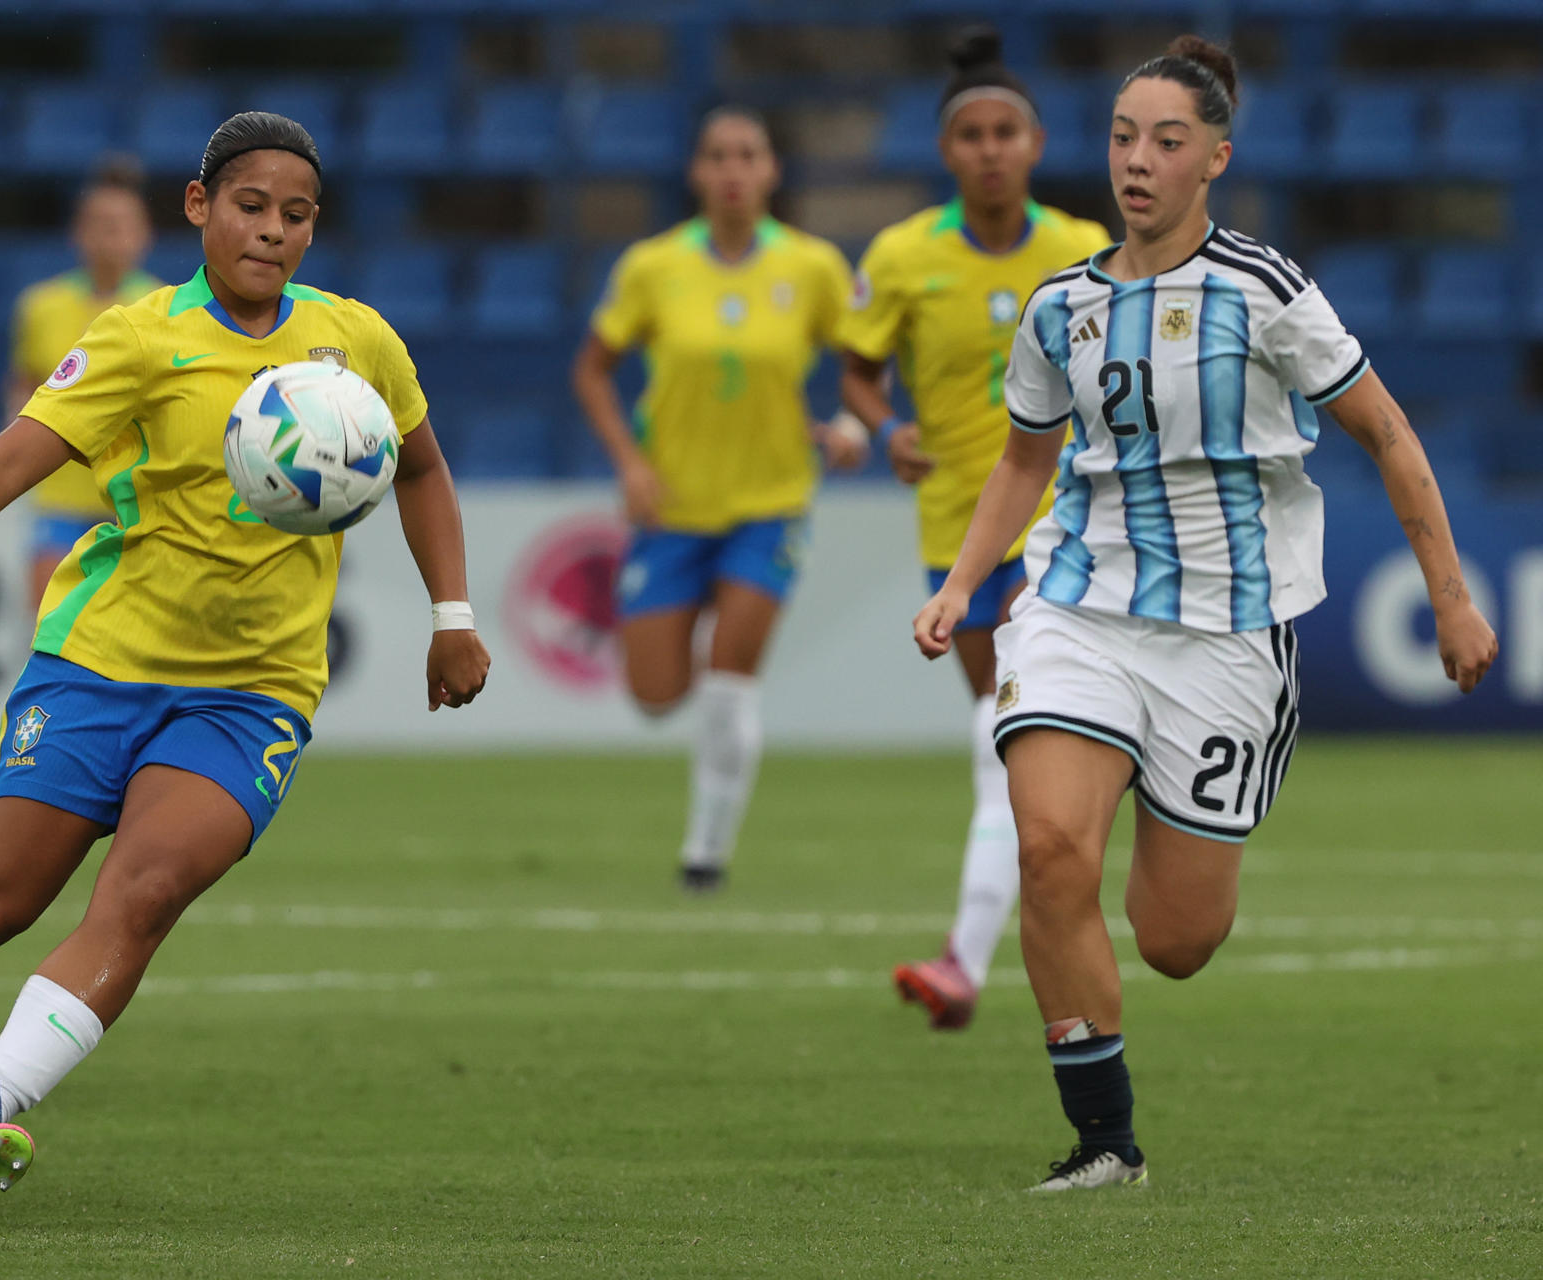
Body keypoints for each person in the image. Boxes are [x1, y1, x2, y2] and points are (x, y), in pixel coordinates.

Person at [0, 112, 492, 1207]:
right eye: (250, 207)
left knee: (141, 893)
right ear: (199, 207)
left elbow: (421, 468)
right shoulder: (141, 338)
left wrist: (454, 612)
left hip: (252, 691)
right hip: (99, 661)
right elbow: (16, 454)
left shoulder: (357, 344)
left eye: (296, 216)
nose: (272, 232)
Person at [911, 37, 1496, 1191]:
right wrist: (962, 580)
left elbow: (1387, 433)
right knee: (1048, 849)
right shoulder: (1061, 306)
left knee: (1177, 940)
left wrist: (1453, 597)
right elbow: (1026, 462)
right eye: (1124, 136)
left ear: (1215, 158)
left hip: (1225, 636)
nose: (1137, 160)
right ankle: (1103, 1142)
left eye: (1167, 141)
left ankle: (1152, 807)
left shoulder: (1264, 292)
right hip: (1078, 600)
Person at [837, 27, 1110, 1029]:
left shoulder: (1082, 248)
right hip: (962, 530)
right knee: (1011, 737)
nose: (991, 149)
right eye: (973, 134)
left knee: (1011, 730)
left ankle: (966, 951)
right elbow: (859, 372)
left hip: (1077, 527)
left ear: (1035, 144)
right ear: (949, 151)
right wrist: (887, 427)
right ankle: (1018, 904)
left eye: (1008, 132)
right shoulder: (905, 255)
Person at [572, 106, 860, 892]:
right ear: (697, 173)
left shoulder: (813, 268)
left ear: (772, 171)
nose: (733, 169)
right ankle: (697, 651)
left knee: (732, 672)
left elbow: (864, 360)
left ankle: (705, 854)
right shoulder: (653, 267)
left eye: (748, 155)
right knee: (657, 695)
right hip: (671, 507)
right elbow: (592, 370)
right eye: (718, 156)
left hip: (770, 503)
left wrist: (852, 425)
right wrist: (630, 464)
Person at [6, 157, 160, 613]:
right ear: (78, 232)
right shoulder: (40, 306)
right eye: (97, 224)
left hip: (132, 505)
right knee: (50, 635)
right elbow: (23, 391)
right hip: (60, 501)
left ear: (144, 234)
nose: (108, 238)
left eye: (120, 226)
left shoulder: (160, 308)